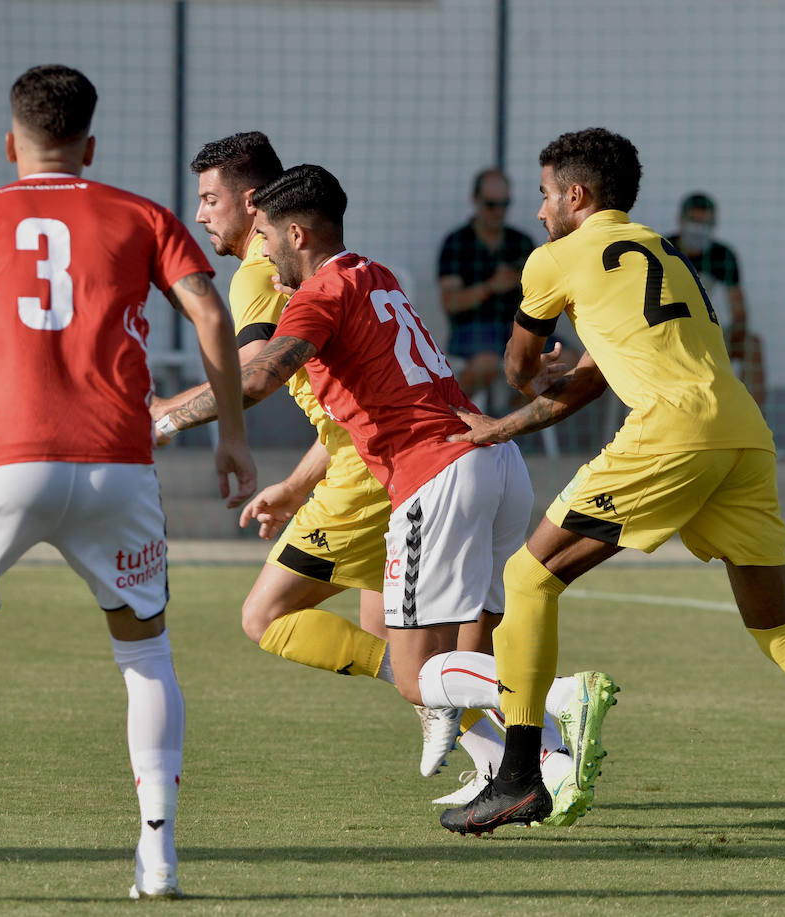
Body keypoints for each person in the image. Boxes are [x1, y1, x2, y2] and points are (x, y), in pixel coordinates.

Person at [441, 127, 785, 845]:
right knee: (780, 629)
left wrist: (522, 385)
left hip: (672, 431)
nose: (538, 211)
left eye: (543, 195)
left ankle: (516, 778)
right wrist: (511, 426)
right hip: (743, 433)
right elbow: (598, 375)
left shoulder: (554, 260)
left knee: (527, 578)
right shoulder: (666, 258)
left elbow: (517, 364)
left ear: (577, 194)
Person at [0, 65, 256, 901]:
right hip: (118, 462)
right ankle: (158, 858)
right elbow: (213, 317)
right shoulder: (143, 214)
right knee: (145, 651)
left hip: (4, 461)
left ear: (12, 143)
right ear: (90, 144)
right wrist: (234, 439)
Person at [157, 162, 616, 827]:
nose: (262, 253)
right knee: (468, 648)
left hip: (436, 476)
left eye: (267, 238)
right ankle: (516, 769)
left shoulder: (314, 293)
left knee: (414, 675)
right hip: (497, 463)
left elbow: (256, 379)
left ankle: (553, 703)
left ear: (296, 233)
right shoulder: (377, 276)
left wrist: (167, 418)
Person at [436, 168, 538, 413]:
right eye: (491, 204)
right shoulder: (457, 243)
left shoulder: (521, 242)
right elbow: (451, 303)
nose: (499, 211)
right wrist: (492, 286)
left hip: (519, 328)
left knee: (566, 358)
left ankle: (511, 423)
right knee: (487, 363)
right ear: (476, 200)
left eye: (505, 204)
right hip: (473, 329)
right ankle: (441, 413)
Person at [669, 192, 766, 409]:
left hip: (711, 335)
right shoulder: (663, 249)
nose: (699, 229)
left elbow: (739, 312)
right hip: (669, 335)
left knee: (752, 345)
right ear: (681, 220)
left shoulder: (722, 255)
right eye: (694, 221)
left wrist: (727, 338)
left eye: (706, 223)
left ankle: (755, 425)